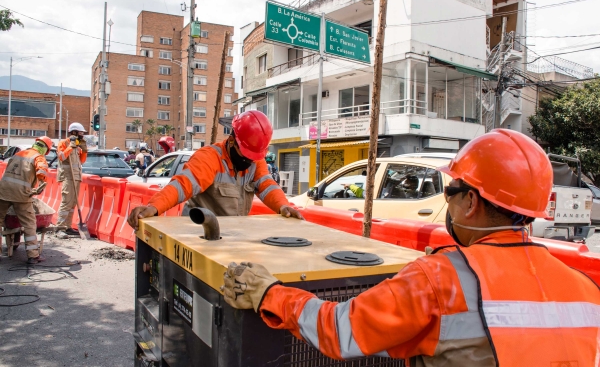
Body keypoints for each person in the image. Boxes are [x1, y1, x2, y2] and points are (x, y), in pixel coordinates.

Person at [222, 129, 600, 366]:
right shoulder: (585, 290)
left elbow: (340, 331)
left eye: (450, 192)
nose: (447, 203)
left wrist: (268, 292)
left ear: (470, 202)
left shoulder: (441, 279)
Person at [128, 110, 303, 229]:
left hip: (231, 234)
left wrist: (283, 206)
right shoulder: (210, 158)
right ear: (232, 141)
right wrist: (154, 207)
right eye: (247, 155)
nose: (250, 161)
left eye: (254, 157)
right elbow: (183, 185)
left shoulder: (255, 161)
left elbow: (267, 185)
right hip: (199, 233)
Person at [0, 137, 51, 263]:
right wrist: (42, 180)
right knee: (29, 224)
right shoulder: (38, 157)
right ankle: (33, 255)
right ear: (45, 149)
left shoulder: (18, 154)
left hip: (3, 191)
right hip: (21, 195)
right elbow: (41, 170)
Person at [56, 123, 88, 236]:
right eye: (81, 133)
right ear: (74, 132)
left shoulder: (78, 146)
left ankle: (68, 226)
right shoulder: (63, 143)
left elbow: (82, 161)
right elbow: (62, 157)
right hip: (68, 176)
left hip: (76, 177)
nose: (82, 135)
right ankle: (59, 227)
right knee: (66, 202)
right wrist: (70, 147)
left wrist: (84, 151)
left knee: (73, 203)